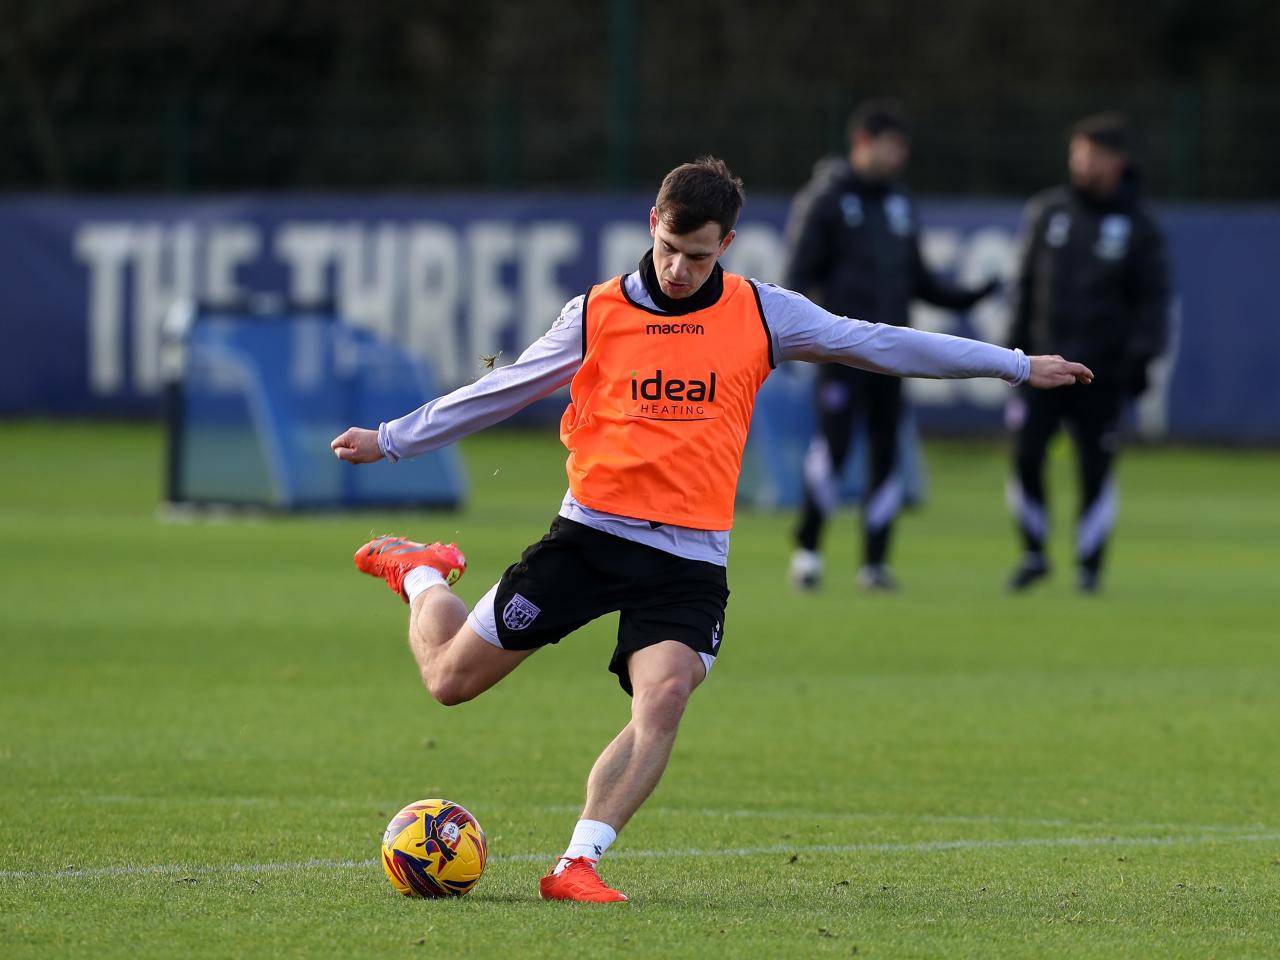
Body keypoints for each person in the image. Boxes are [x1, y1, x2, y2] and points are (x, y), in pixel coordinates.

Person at [330, 157, 1092, 903]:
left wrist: (1017, 366)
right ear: (651, 225)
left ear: (726, 244)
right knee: (450, 683)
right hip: (588, 539)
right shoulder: (596, 312)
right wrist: (391, 439)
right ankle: (421, 570)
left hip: (689, 559)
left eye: (698, 256)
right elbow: (501, 390)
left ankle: (577, 864)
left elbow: (880, 342)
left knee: (662, 698)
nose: (679, 269)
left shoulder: (763, 312)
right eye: (668, 248)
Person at [784, 100, 1001, 593]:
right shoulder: (827, 199)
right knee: (832, 450)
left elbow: (919, 280)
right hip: (839, 353)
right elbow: (796, 279)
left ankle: (875, 562)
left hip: (893, 356)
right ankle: (808, 551)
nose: (898, 158)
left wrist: (971, 294)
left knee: (887, 453)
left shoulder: (900, 205)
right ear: (862, 143)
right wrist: (801, 340)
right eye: (890, 147)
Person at [1005, 113, 1170, 594]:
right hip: (1041, 366)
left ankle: (1089, 565)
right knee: (1026, 457)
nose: (1083, 164)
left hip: (1102, 371)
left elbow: (1154, 299)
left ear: (1117, 162)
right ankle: (1034, 552)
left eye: (1094, 156)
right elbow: (1025, 287)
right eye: (1078, 154)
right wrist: (1009, 354)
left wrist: (1143, 357)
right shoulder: (1049, 211)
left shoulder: (1140, 226)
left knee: (1095, 467)